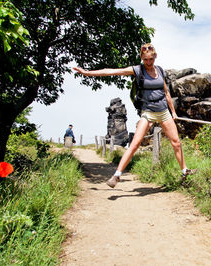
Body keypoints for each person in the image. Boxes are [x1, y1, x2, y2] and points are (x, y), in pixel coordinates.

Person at [73, 43, 195, 188]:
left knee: (176, 142)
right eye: (145, 60)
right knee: (135, 143)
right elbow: (112, 71)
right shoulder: (138, 70)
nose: (148, 63)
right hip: (148, 112)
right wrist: (87, 73)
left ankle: (184, 170)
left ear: (155, 57)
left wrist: (173, 112)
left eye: (151, 59)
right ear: (141, 58)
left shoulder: (160, 70)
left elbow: (166, 92)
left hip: (163, 112)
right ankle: (117, 175)